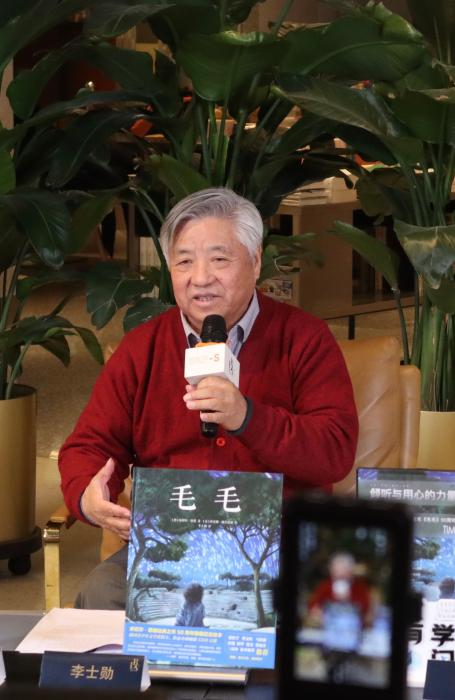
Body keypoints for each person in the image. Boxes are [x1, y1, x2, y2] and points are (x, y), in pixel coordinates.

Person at [58, 187, 359, 609]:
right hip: (174, 545)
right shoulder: (143, 347)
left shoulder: (305, 339)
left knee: (322, 611)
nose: (200, 278)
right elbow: (89, 446)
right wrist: (87, 496)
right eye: (184, 261)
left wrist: (247, 416)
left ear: (255, 261)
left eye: (219, 259)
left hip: (282, 545)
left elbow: (334, 450)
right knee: (99, 595)